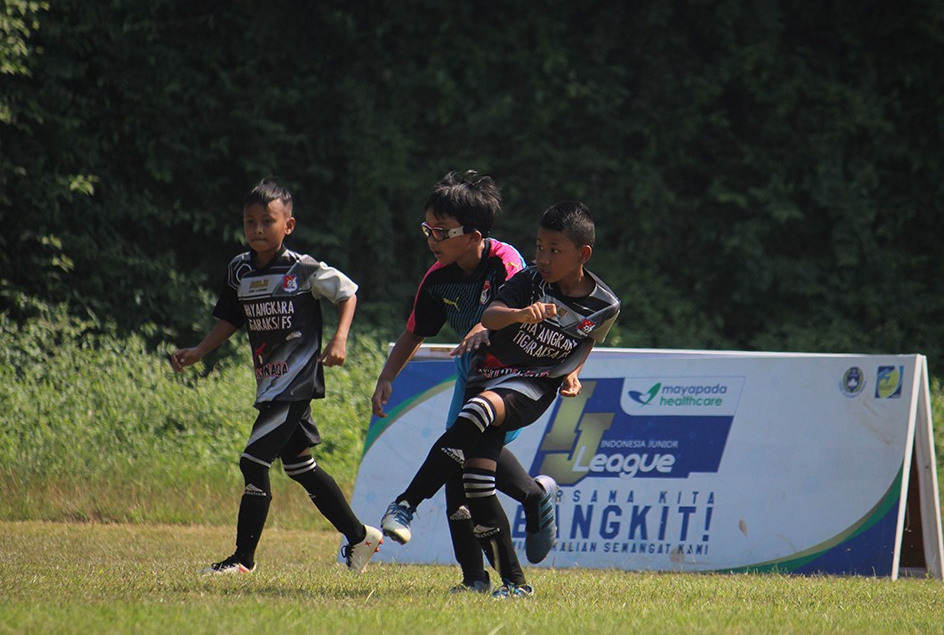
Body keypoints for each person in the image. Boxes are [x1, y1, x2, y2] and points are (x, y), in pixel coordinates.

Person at [381, 201, 621, 598]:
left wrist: (574, 372)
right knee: (477, 482)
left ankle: (406, 503)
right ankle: (516, 584)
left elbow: (586, 341)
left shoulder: (605, 304)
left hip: (533, 383)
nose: (542, 257)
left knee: (475, 413)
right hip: (488, 371)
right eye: (539, 246)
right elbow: (490, 317)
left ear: (583, 255)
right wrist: (522, 314)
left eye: (554, 250)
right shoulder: (528, 281)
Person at [171, 178, 382, 575]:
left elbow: (348, 294)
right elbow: (231, 318)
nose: (256, 230)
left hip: (296, 384)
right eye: (249, 222)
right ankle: (360, 537)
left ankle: (242, 561)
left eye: (267, 221)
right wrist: (199, 350)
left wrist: (339, 339)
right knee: (301, 467)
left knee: (253, 462)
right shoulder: (239, 270)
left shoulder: (302, 269)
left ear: (289, 225)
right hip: (269, 383)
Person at [371, 170, 558, 594]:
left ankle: (477, 569)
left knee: (462, 460)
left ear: (474, 234)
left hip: (514, 374)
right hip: (473, 372)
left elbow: (507, 307)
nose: (432, 239)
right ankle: (528, 505)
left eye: (442, 231)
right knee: (462, 458)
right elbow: (414, 331)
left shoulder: (507, 261)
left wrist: (483, 325)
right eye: (428, 229)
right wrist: (386, 378)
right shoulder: (438, 277)